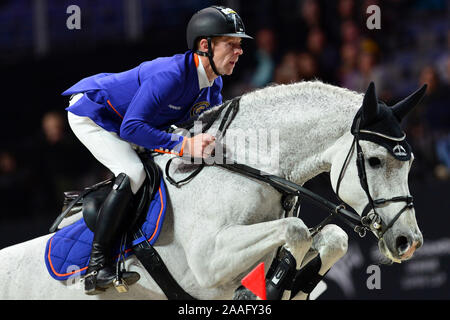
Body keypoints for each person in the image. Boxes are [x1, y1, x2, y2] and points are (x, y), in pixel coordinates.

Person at [62, 5, 252, 294]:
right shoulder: (172, 74)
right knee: (134, 172)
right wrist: (184, 144)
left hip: (129, 121)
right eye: (231, 44)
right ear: (205, 45)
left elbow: (202, 133)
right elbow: (131, 129)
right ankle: (96, 266)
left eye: (240, 45)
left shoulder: (214, 84)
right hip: (94, 114)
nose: (239, 51)